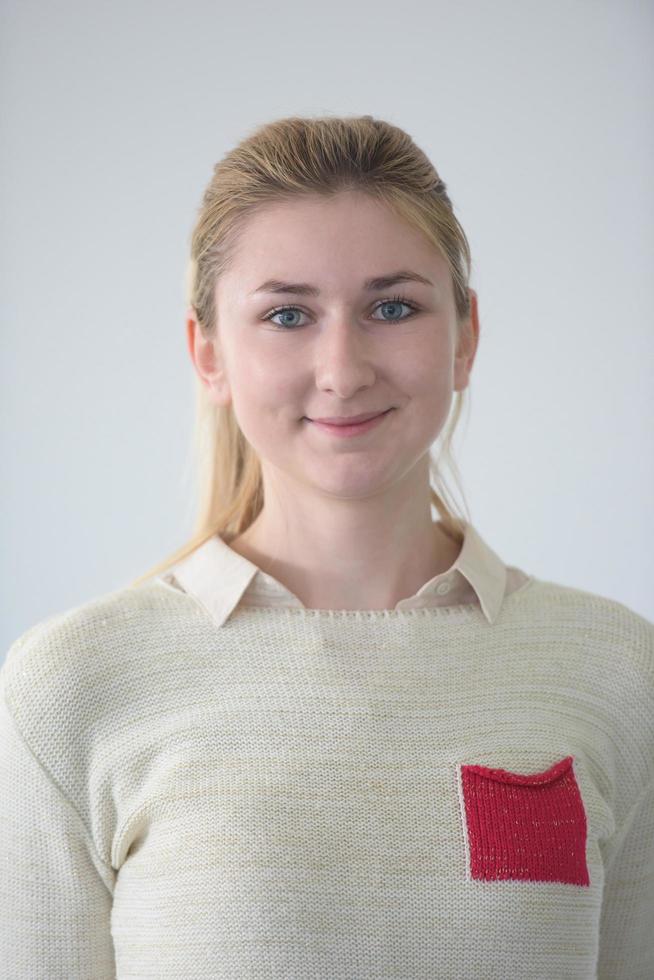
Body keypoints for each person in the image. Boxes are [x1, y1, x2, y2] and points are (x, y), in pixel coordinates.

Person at [1, 114, 652, 979]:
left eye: (392, 307)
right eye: (287, 314)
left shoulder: (616, 670)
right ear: (209, 356)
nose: (342, 369)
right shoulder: (73, 684)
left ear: (466, 337)